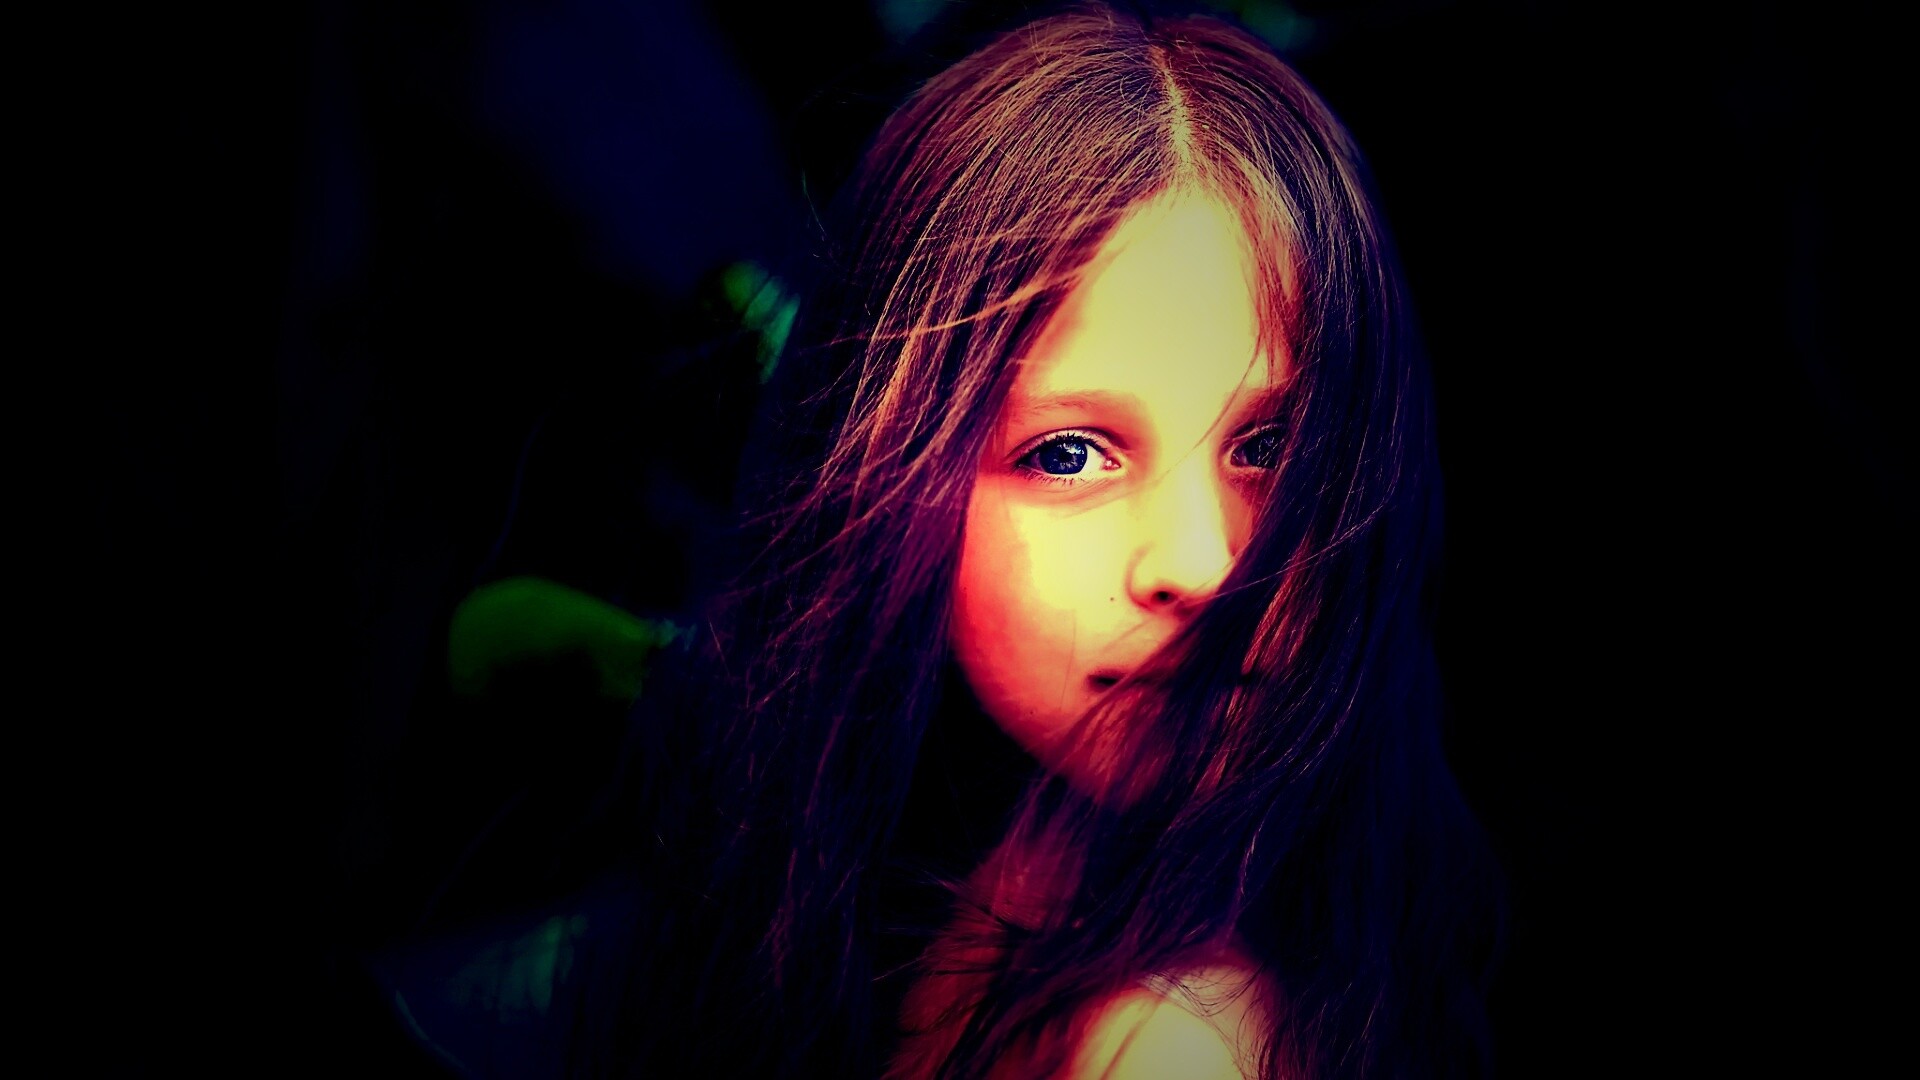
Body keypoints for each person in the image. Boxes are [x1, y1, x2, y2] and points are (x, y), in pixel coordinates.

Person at [383, 2, 1506, 1077]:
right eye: (1069, 454)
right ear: (893, 478)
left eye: (1269, 446)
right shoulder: (892, 880)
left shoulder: (1166, 1047)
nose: (1204, 563)